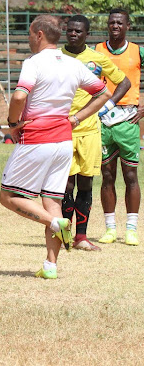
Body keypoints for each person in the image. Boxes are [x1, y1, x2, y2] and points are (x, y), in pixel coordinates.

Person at [0, 15, 111, 279]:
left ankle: (55, 223)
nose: (28, 38)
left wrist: (13, 122)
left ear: (39, 34)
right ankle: (50, 266)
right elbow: (104, 93)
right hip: (63, 140)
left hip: (37, 138)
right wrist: (75, 118)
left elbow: (19, 95)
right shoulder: (74, 64)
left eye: (29, 33)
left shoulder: (34, 63)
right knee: (52, 200)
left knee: (8, 197)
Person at [61, 15, 130, 251]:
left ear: (87, 34)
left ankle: (81, 237)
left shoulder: (97, 58)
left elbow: (124, 82)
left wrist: (106, 108)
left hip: (90, 130)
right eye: (70, 30)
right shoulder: (56, 56)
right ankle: (63, 235)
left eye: (78, 31)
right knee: (65, 185)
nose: (73, 34)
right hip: (62, 129)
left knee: (86, 184)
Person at [95, 9, 143, 246]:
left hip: (129, 119)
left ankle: (132, 229)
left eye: (119, 22)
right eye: (111, 22)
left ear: (128, 26)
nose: (115, 26)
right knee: (106, 175)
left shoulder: (138, 51)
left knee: (131, 175)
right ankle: (110, 228)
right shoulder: (97, 50)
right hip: (103, 119)